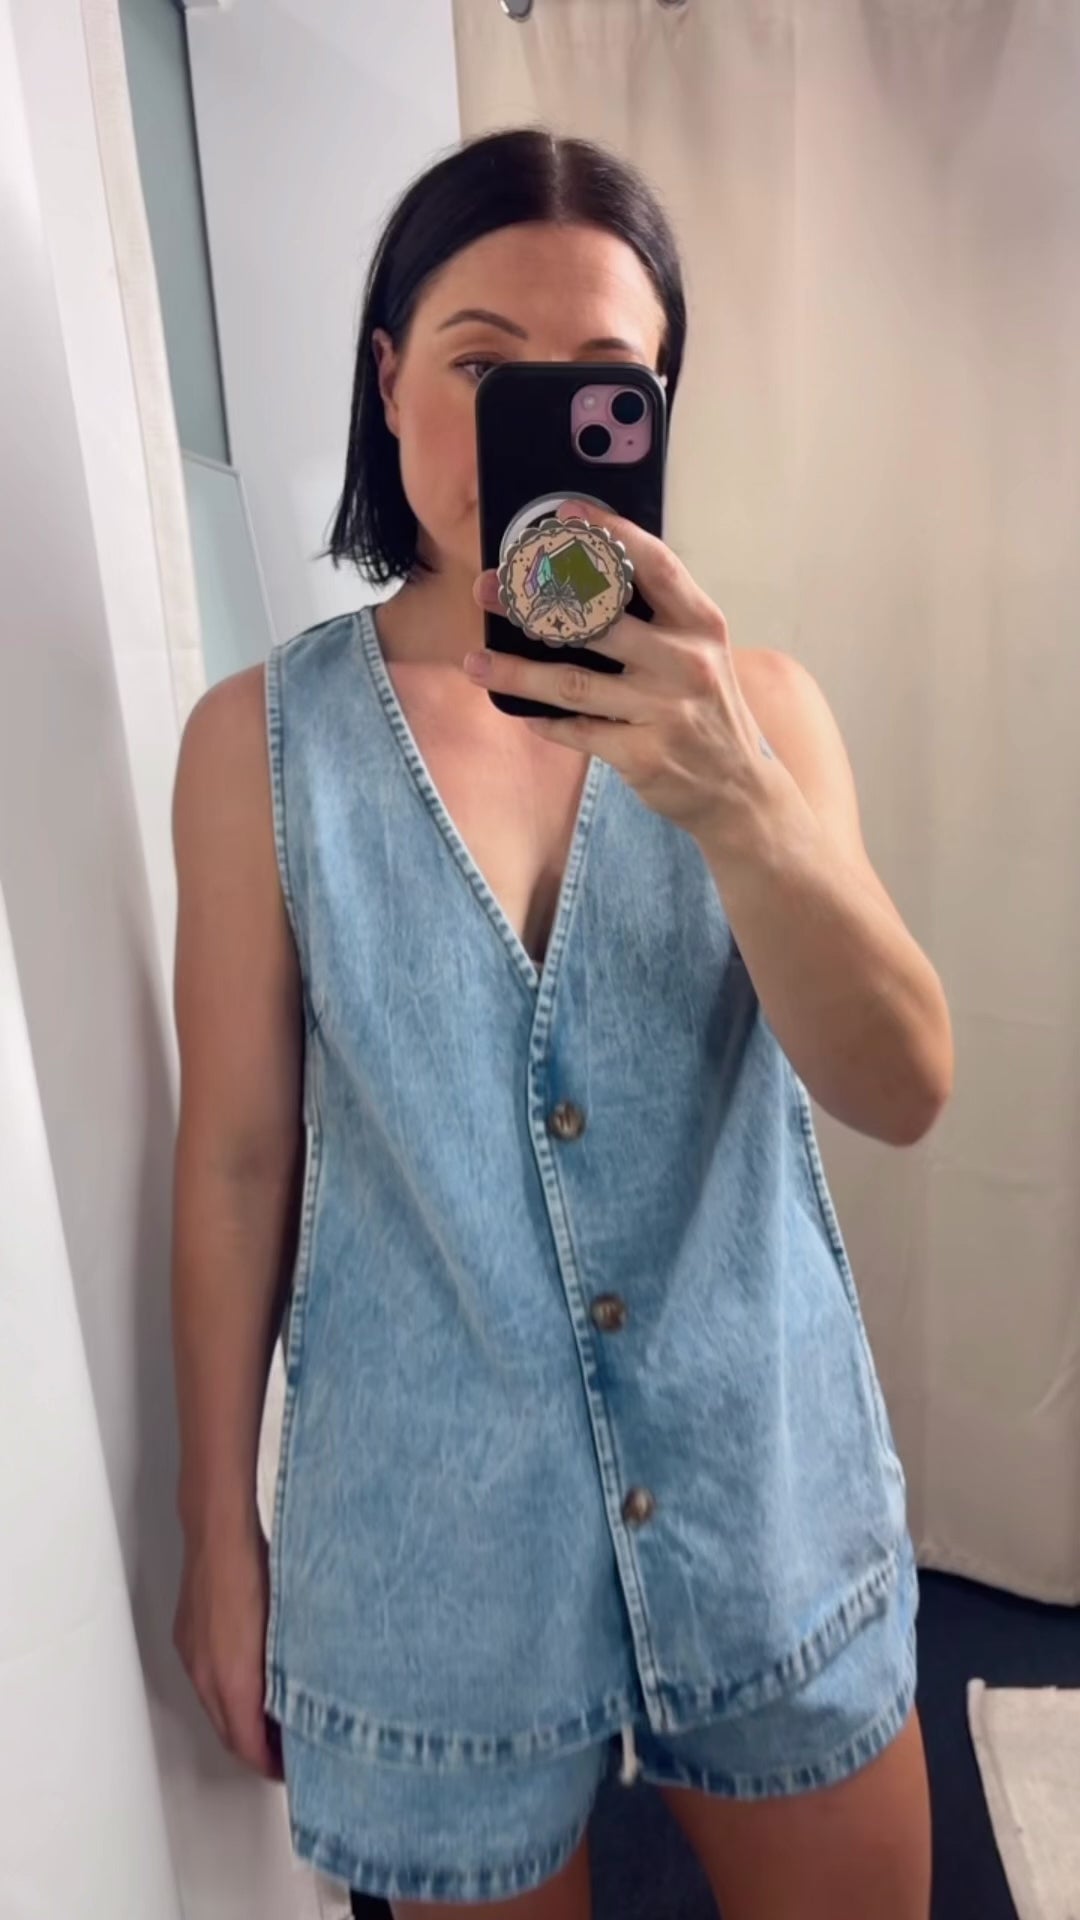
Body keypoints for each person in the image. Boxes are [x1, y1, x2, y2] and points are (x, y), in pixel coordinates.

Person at [170, 129, 953, 1920]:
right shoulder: (259, 746)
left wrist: (737, 800)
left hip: (765, 1500)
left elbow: (902, 1084)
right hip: (430, 1554)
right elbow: (234, 1161)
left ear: (656, 415)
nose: (535, 420)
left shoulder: (761, 711)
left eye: (603, 383)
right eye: (481, 366)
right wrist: (220, 1530)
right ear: (387, 379)